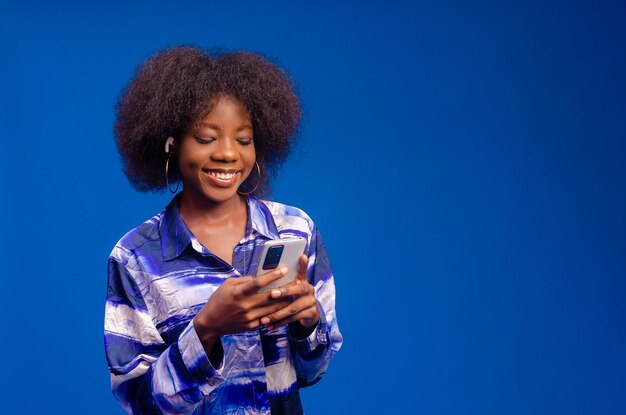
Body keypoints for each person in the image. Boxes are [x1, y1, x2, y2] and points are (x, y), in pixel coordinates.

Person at [104, 46, 342, 415]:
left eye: (243, 139)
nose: (228, 153)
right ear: (171, 143)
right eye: (205, 138)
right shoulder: (135, 257)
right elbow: (141, 402)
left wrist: (308, 322)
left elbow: (313, 371)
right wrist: (206, 330)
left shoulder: (295, 230)